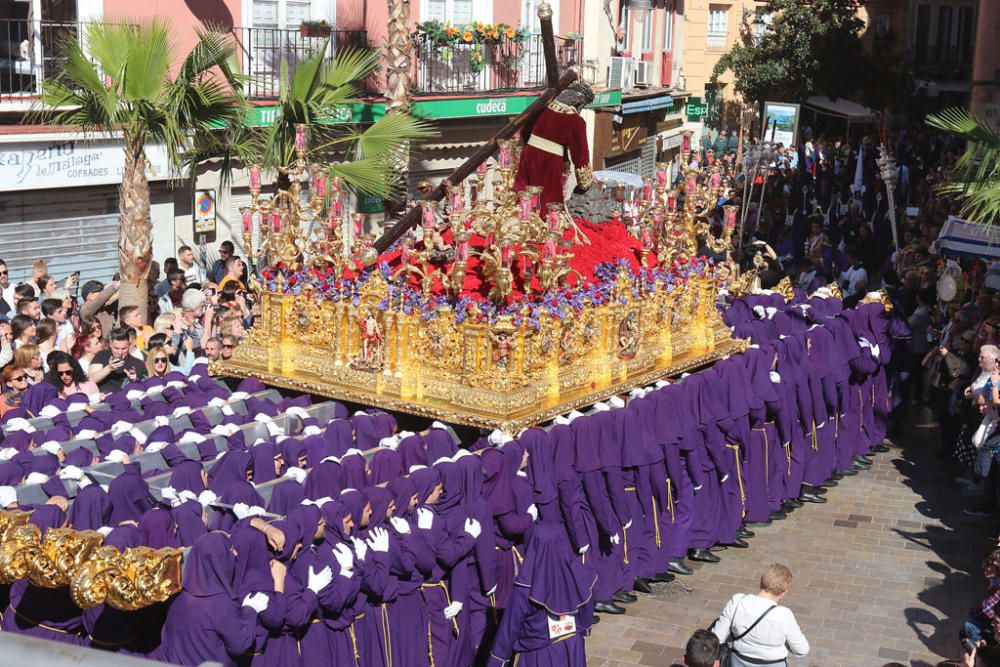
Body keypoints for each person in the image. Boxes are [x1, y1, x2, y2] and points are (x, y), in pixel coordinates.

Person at [514, 81, 595, 210]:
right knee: (549, 199)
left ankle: (519, 216)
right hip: (550, 161)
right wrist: (585, 181)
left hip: (529, 152)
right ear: (580, 103)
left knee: (523, 190)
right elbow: (580, 155)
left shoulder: (543, 105)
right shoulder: (576, 121)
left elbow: (526, 128)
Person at [711, 564, 809, 666]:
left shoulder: (737, 601)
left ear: (761, 582)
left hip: (738, 662)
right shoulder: (784, 615)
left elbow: (717, 637)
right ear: (784, 592)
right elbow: (801, 650)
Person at [88, 327, 148, 392]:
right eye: (116, 348)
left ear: (129, 345)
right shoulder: (102, 355)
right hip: (105, 399)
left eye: (124, 348)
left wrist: (135, 380)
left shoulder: (138, 363)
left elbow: (145, 386)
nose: (120, 352)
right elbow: (91, 379)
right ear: (110, 344)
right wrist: (109, 368)